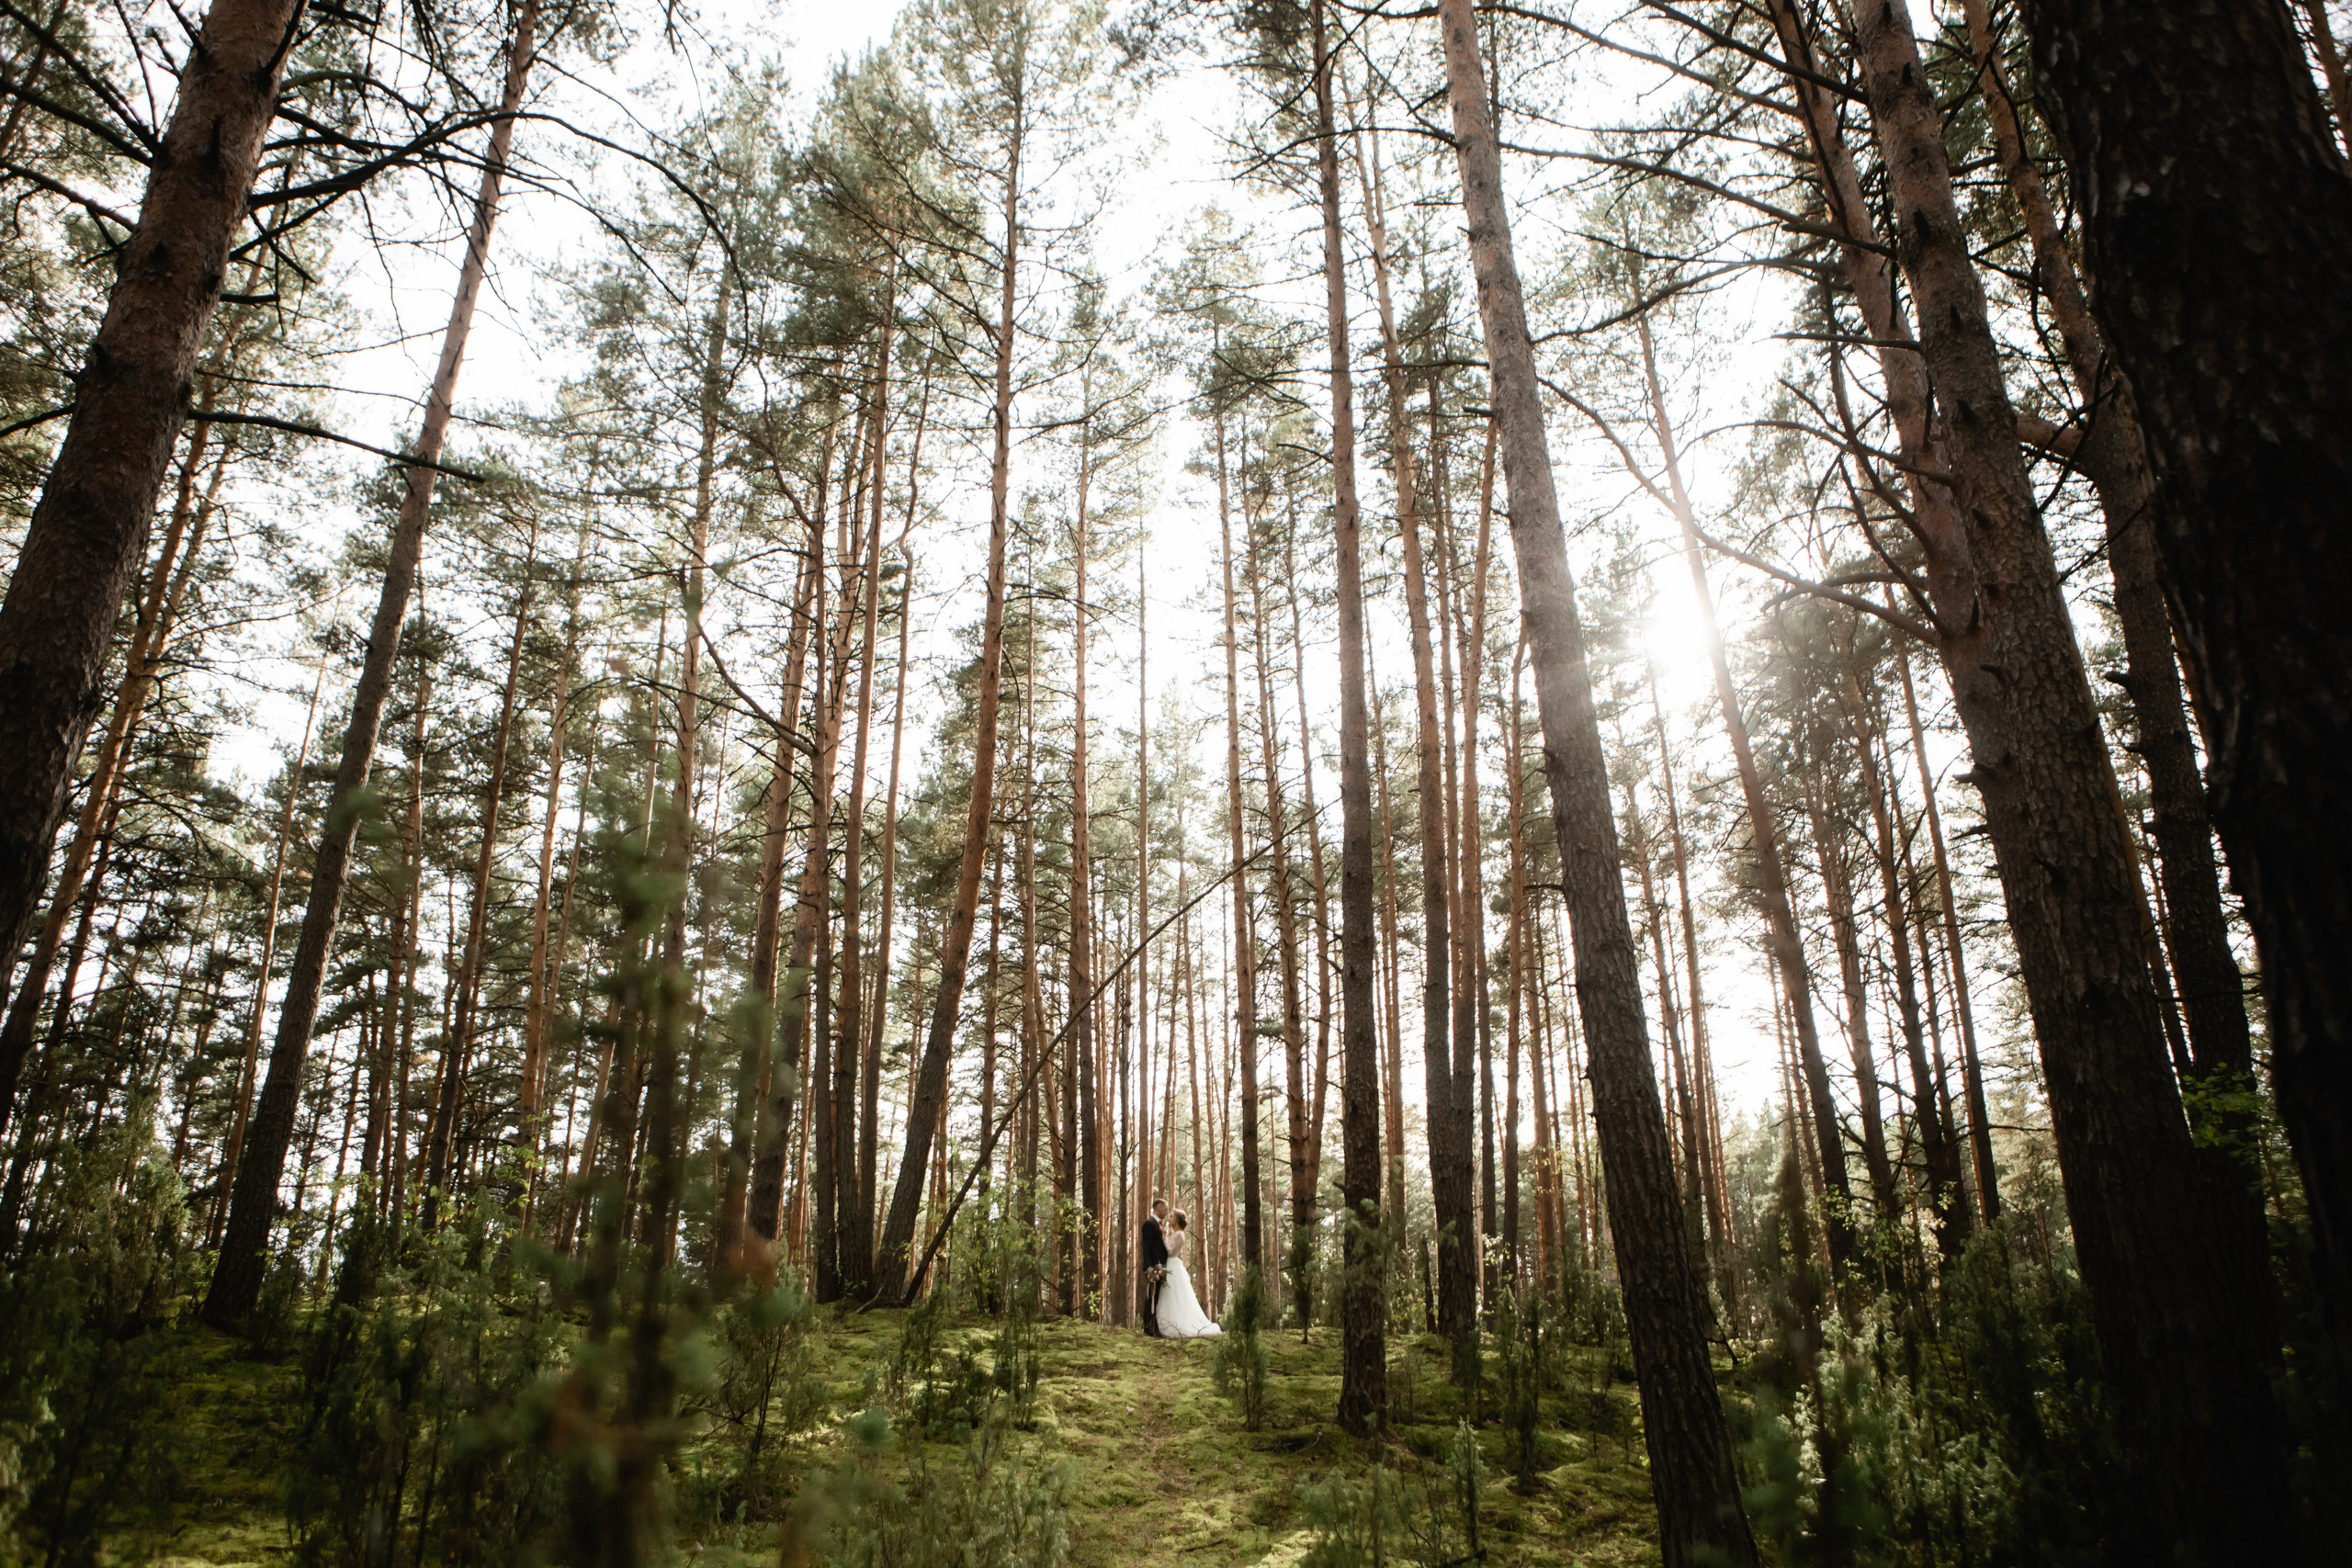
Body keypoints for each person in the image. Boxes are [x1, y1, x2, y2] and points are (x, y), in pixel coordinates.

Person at [1154, 1209, 1222, 1339]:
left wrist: (1164, 1236)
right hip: (1171, 1265)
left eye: (1172, 1216)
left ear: (1177, 1220)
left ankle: (1176, 1325)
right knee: (1170, 1296)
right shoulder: (1175, 1234)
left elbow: (1170, 1251)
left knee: (1174, 1296)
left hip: (1173, 1266)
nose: (1169, 1218)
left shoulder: (1179, 1234)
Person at [1139, 1198, 1169, 1337]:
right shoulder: (1149, 1224)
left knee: (1155, 1297)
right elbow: (1146, 1247)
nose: (1167, 1211)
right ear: (1159, 1207)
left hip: (1160, 1266)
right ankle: (1149, 1328)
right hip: (1154, 1267)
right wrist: (1149, 1267)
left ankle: (1153, 1327)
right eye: (1166, 1208)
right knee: (1151, 1296)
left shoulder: (1159, 1225)